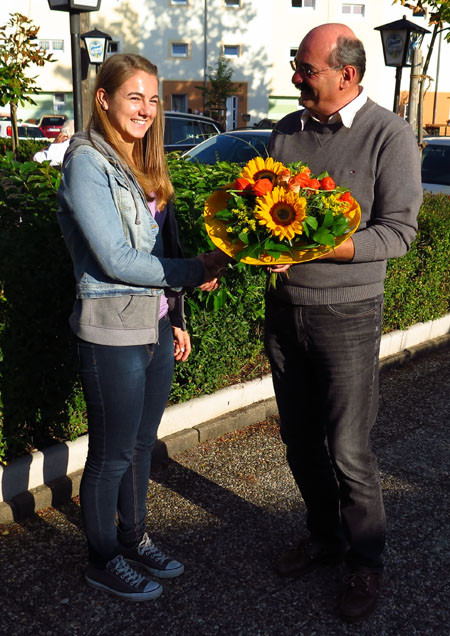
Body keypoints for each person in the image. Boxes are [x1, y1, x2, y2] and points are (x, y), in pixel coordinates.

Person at [265, 24, 422, 623]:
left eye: (304, 68)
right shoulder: (286, 131)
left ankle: (366, 561)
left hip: (350, 314)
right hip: (284, 309)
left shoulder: (390, 134)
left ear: (346, 74)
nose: (296, 77)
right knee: (300, 440)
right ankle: (325, 538)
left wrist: (317, 247)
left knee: (349, 448)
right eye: (296, 65)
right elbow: (267, 210)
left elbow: (399, 233)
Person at [57, 53, 225, 602]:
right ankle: (101, 559)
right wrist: (192, 271)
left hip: (152, 327)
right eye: (135, 97)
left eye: (154, 99)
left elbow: (162, 244)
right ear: (102, 98)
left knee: (141, 445)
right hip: (111, 330)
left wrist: (176, 314)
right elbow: (116, 259)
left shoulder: (145, 162)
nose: (147, 109)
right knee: (111, 455)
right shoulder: (88, 161)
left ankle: (134, 539)